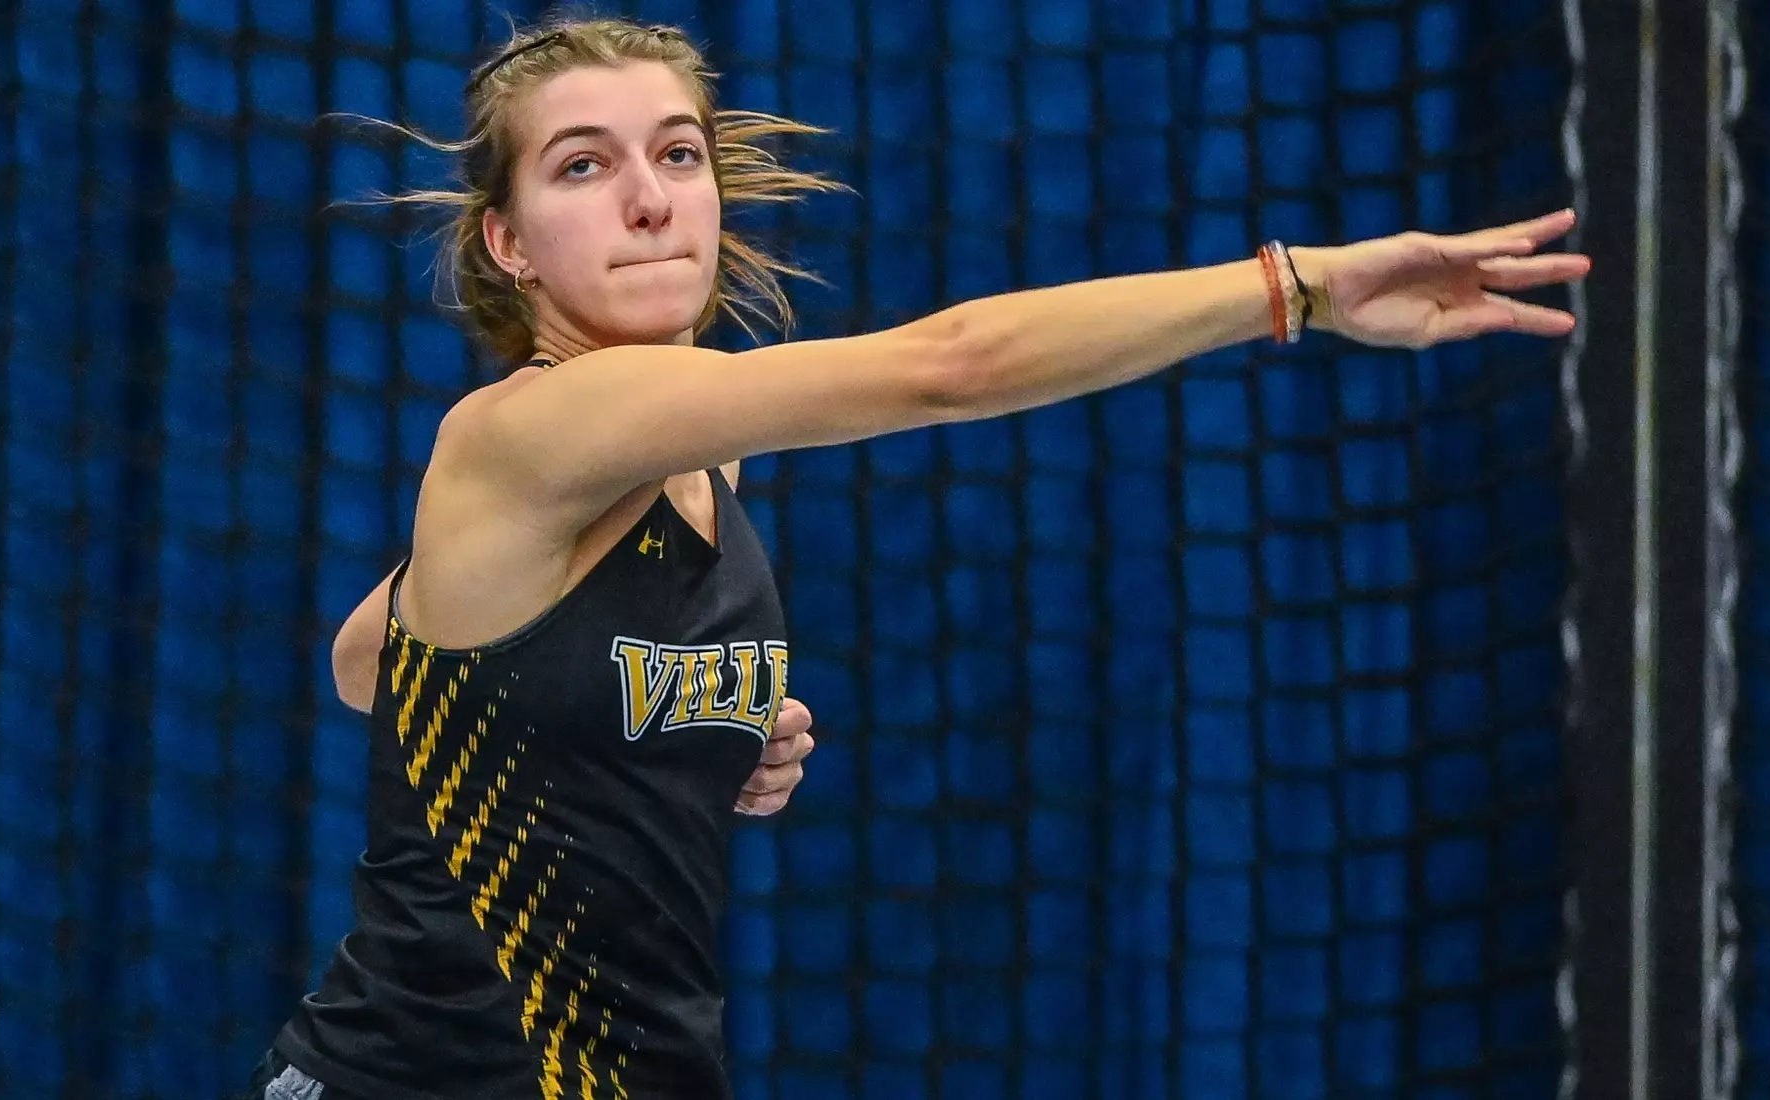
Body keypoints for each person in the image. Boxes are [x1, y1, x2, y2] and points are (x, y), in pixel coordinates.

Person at [239, 13, 1590, 1100]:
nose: (649, 201)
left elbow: (379, 661)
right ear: (509, 242)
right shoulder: (539, 428)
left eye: (678, 154)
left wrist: (663, 717)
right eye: (583, 166)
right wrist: (1297, 288)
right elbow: (949, 371)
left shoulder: (696, 449)